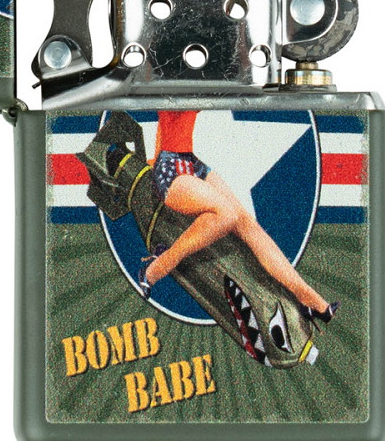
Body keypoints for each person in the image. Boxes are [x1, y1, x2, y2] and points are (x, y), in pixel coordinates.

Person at [139, 110, 338, 326]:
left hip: (192, 164)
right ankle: (155, 270)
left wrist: (155, 155)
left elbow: (166, 120)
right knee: (226, 214)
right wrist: (156, 160)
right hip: (170, 171)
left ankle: (310, 300)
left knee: (248, 225)